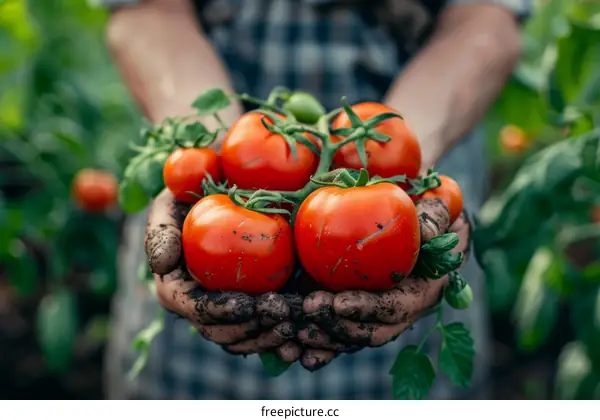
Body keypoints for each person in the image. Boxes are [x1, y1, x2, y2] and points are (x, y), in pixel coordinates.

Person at [101, 0, 528, 399]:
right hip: (189, 368)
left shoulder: (402, 189)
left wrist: (407, 160)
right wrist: (210, 150)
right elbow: (146, 9)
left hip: (417, 157)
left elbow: (485, 17)